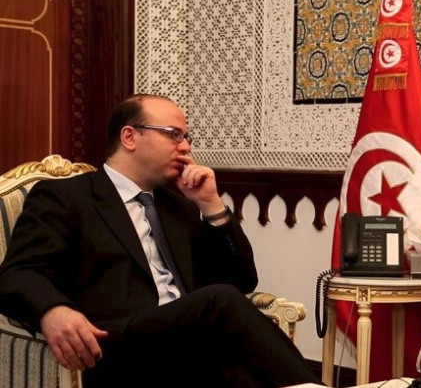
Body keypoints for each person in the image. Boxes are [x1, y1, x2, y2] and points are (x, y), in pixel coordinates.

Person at [0, 94, 322, 387]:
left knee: (244, 376)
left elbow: (239, 282)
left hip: (183, 346)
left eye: (186, 137)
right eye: (173, 135)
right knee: (220, 302)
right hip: (114, 342)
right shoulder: (67, 197)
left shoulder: (177, 207)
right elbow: (18, 274)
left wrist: (211, 206)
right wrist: (53, 311)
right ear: (130, 137)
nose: (186, 147)